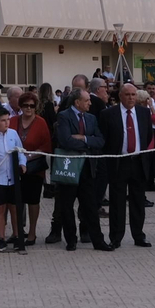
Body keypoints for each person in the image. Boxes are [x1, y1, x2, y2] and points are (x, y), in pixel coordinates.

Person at [99, 83, 153, 248]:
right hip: (118, 162)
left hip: (137, 161)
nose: (131, 98)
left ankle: (139, 235)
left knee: (138, 200)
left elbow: (148, 136)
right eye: (128, 94)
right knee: (117, 201)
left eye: (133, 94)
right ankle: (116, 237)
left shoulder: (144, 113)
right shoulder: (108, 114)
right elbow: (104, 139)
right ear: (120, 96)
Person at [52, 88, 107, 250]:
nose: (90, 103)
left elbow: (100, 141)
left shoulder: (91, 118)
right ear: (77, 102)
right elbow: (65, 141)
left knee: (90, 206)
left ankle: (98, 240)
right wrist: (88, 145)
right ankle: (71, 240)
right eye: (87, 100)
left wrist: (83, 138)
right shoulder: (64, 116)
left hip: (87, 169)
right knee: (67, 206)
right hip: (69, 167)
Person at [0, 107, 27, 252]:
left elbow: (21, 151)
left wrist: (22, 163)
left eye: (8, 119)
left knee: (15, 208)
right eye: (3, 120)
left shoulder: (13, 133)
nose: (7, 123)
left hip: (13, 178)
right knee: (0, 208)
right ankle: (1, 238)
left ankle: (17, 236)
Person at [11, 92, 50, 243]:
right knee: (15, 201)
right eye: (25, 105)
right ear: (20, 106)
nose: (28, 108)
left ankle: (32, 232)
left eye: (32, 106)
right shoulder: (13, 120)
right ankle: (17, 233)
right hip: (15, 167)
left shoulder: (41, 122)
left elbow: (46, 146)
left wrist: (27, 157)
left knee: (33, 200)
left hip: (34, 168)